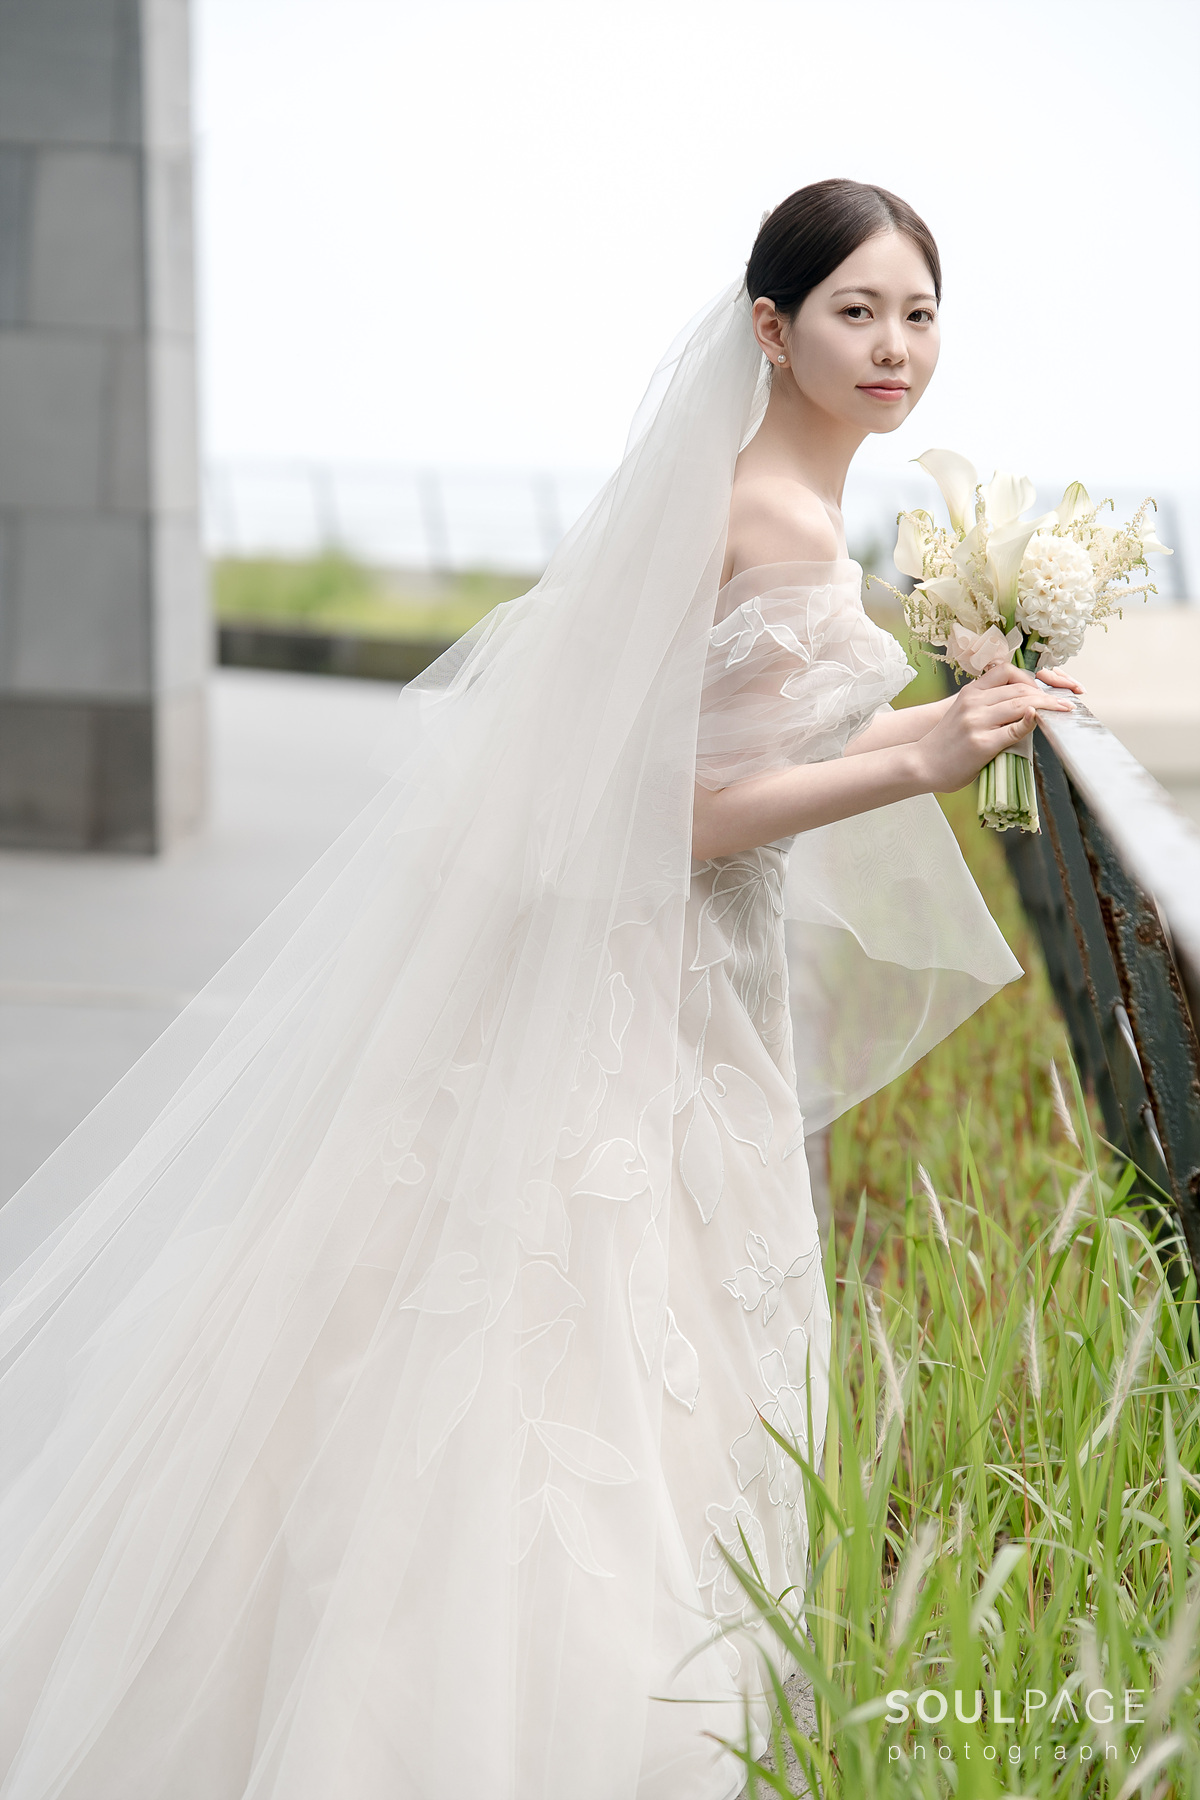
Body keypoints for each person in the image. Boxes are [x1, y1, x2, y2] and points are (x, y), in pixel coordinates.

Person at [0, 179, 1077, 1800]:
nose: (896, 346)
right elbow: (662, 809)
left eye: (920, 312)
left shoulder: (768, 500)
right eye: (858, 311)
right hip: (648, 990)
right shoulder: (766, 518)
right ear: (774, 331)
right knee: (596, 1340)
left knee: (622, 1338)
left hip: (692, 984)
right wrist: (919, 754)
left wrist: (942, 723)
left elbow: (728, 759)